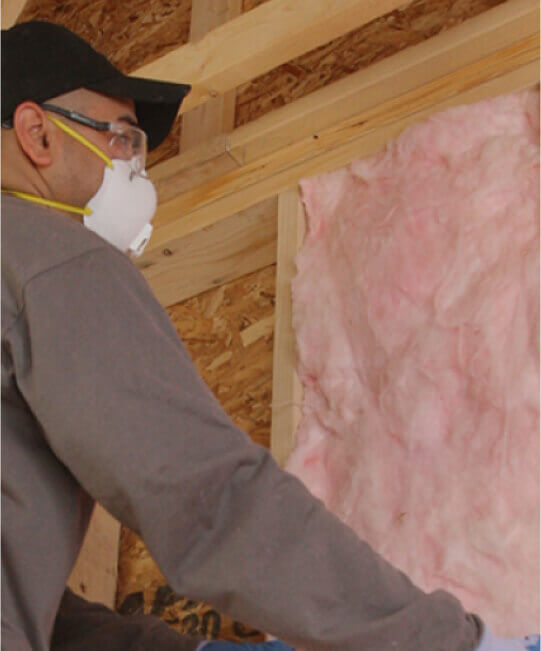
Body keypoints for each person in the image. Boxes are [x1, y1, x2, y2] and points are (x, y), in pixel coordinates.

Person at [1, 20, 538, 651]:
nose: (135, 172)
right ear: (39, 133)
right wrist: (450, 645)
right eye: (121, 140)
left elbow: (37, 612)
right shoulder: (47, 257)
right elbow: (208, 497)